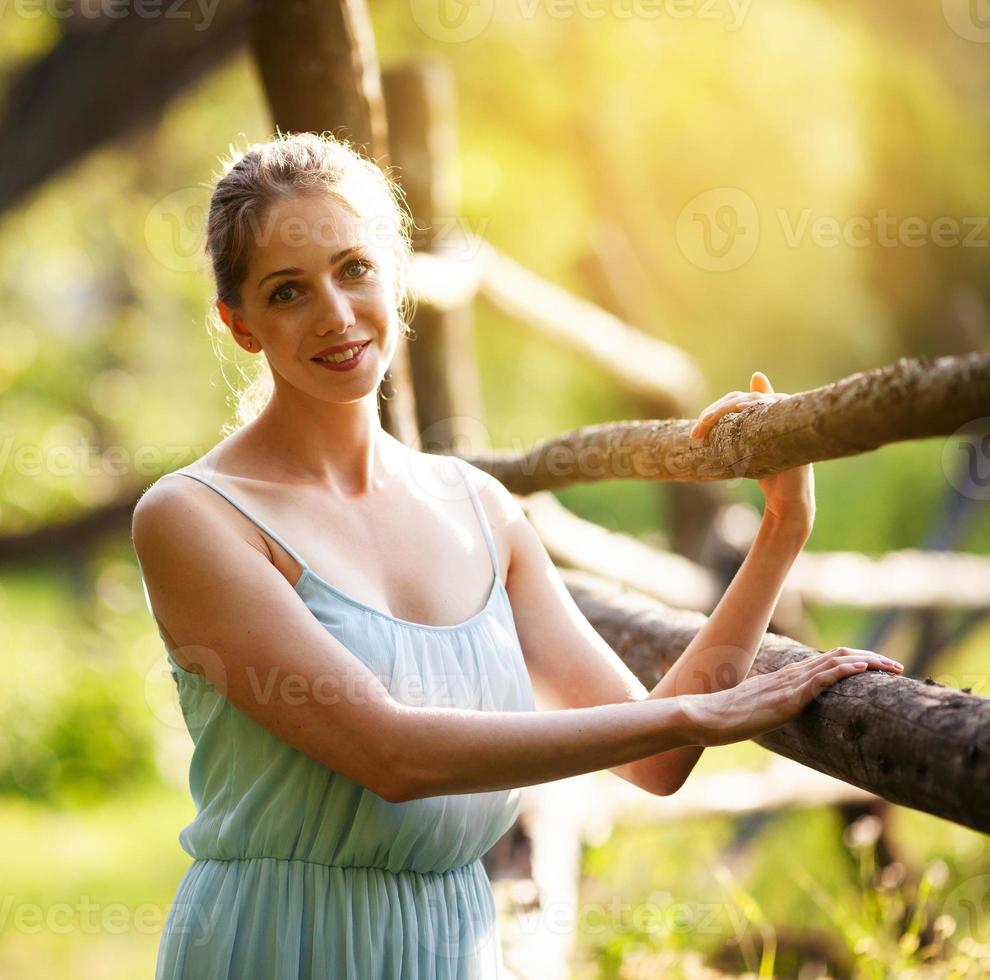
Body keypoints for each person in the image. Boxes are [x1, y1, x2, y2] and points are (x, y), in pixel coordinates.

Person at [130, 131, 901, 979]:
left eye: (354, 269)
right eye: (287, 292)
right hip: (283, 944)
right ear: (239, 325)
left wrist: (781, 529)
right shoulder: (193, 518)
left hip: (452, 949)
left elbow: (654, 759)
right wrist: (698, 713)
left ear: (393, 271)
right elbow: (393, 756)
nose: (336, 314)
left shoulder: (479, 508)